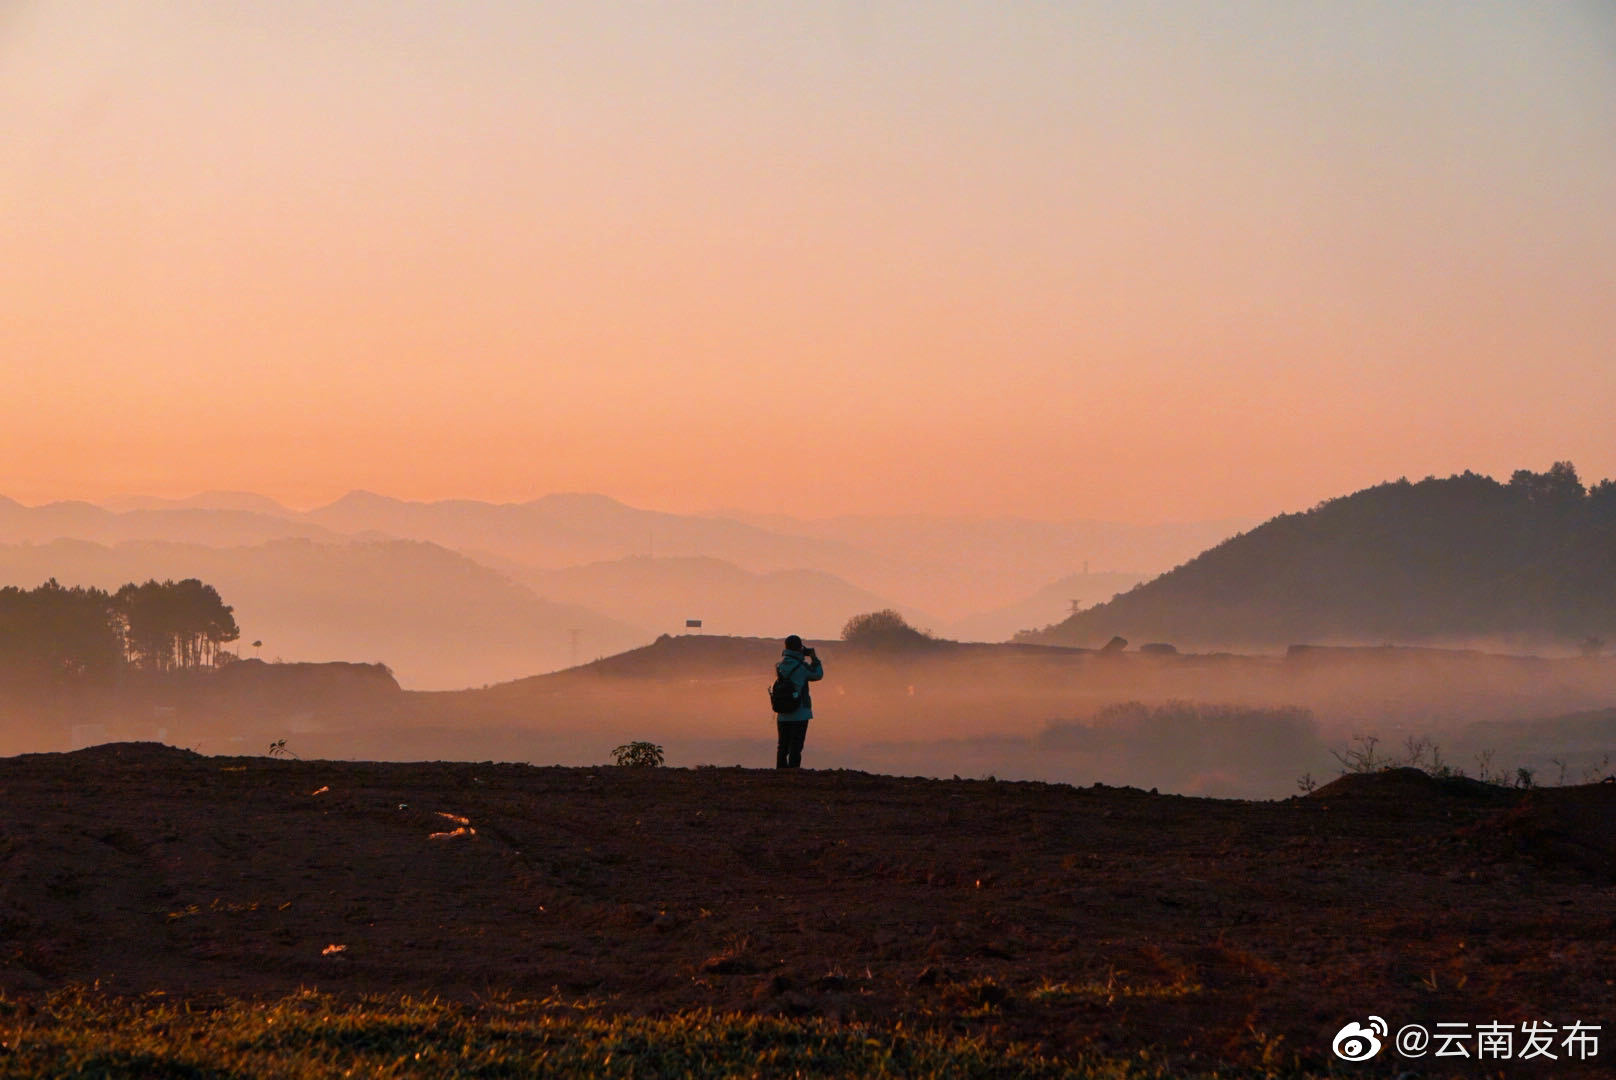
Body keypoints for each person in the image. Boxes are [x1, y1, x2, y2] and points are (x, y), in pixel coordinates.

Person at [773, 634, 823, 769]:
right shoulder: (801, 666)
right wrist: (813, 658)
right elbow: (817, 674)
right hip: (800, 712)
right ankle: (793, 774)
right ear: (799, 648)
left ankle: (779, 775)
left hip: (783, 713)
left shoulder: (780, 666)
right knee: (796, 746)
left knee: (782, 746)